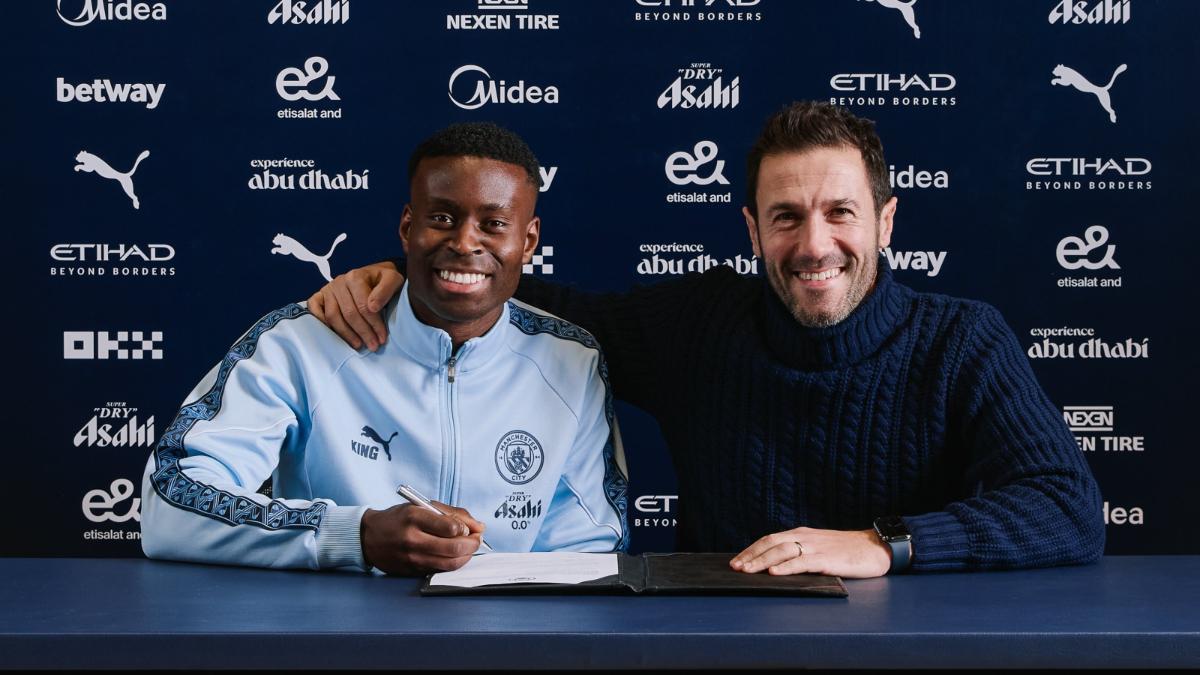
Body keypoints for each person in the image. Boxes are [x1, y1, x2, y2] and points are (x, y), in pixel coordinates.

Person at [308, 102, 1104, 579]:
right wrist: (406, 268)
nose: (814, 244)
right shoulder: (700, 323)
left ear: (886, 221)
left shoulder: (961, 339)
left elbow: (1067, 507)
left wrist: (882, 544)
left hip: (914, 652)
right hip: (725, 649)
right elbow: (536, 297)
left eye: (841, 212)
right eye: (787, 217)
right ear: (754, 229)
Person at [141, 122, 628, 575]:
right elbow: (170, 504)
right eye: (442, 217)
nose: (464, 242)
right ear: (406, 228)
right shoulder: (302, 342)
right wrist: (356, 534)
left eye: (494, 223)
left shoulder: (571, 360)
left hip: (502, 653)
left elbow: (590, 552)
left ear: (529, 241)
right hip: (328, 649)